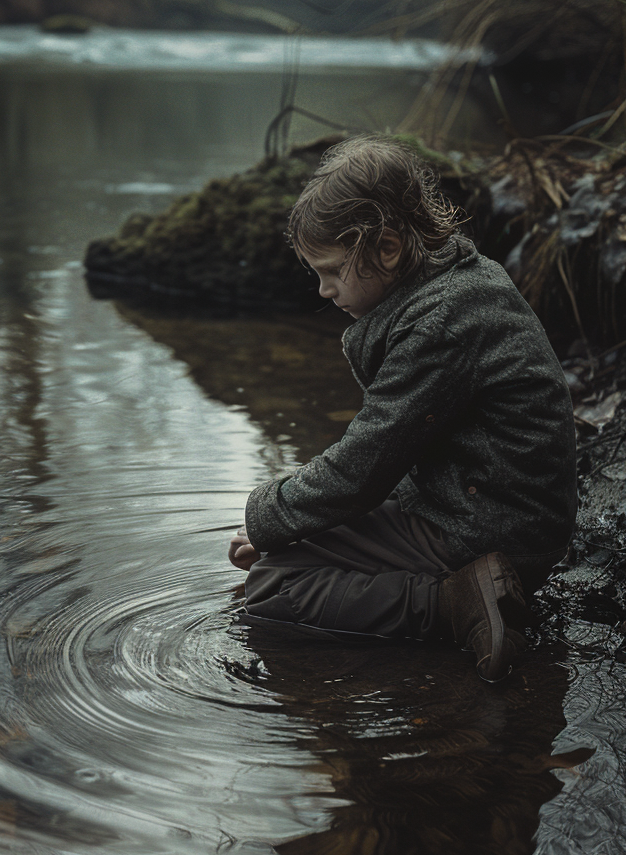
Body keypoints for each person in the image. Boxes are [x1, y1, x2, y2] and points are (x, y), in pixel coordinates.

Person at [227, 134, 577, 681]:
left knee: (276, 586)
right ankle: (456, 590)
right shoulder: (455, 283)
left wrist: (271, 513)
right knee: (290, 553)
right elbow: (388, 457)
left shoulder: (437, 325)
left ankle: (459, 605)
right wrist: (293, 529)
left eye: (332, 271)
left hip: (491, 524)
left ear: (386, 249)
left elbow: (367, 462)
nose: (323, 290)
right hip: (484, 501)